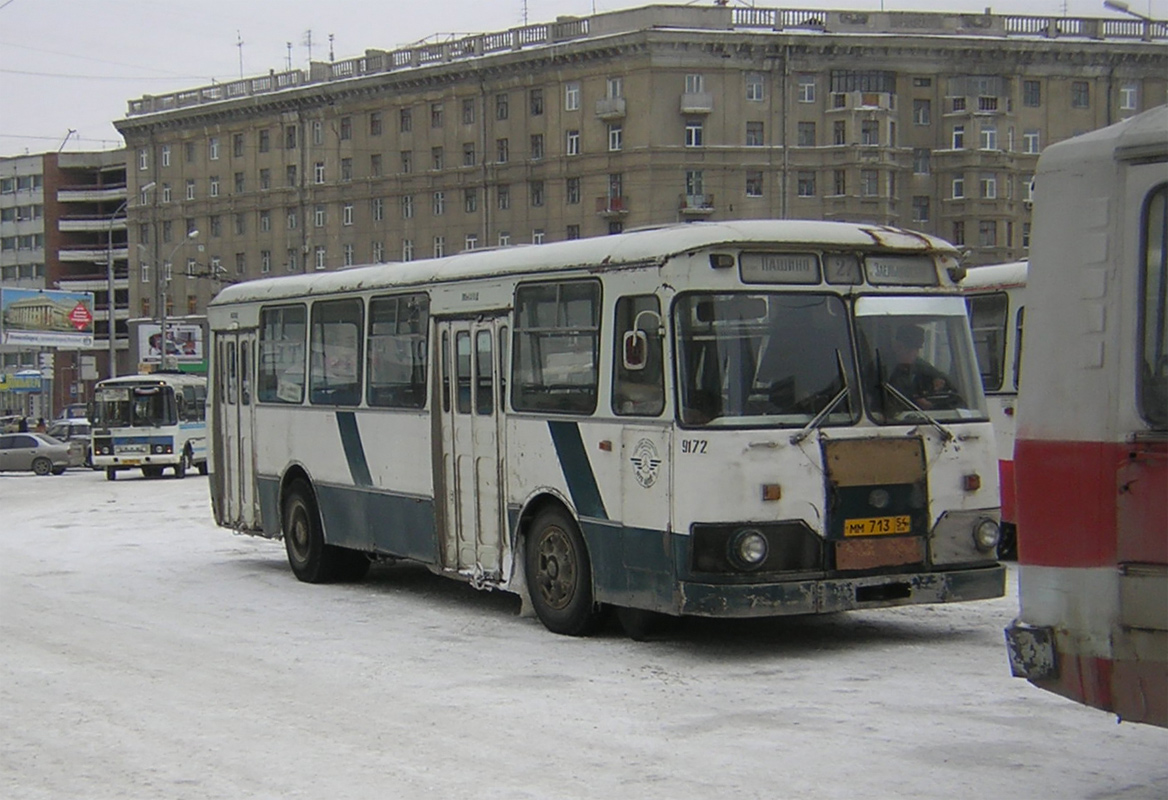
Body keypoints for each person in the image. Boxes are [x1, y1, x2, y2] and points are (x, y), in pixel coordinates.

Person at [887, 324, 952, 410]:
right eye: (908, 349)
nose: (912, 354)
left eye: (916, 350)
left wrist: (939, 379)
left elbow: (937, 375)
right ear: (896, 346)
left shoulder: (918, 364)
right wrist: (915, 399)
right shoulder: (881, 366)